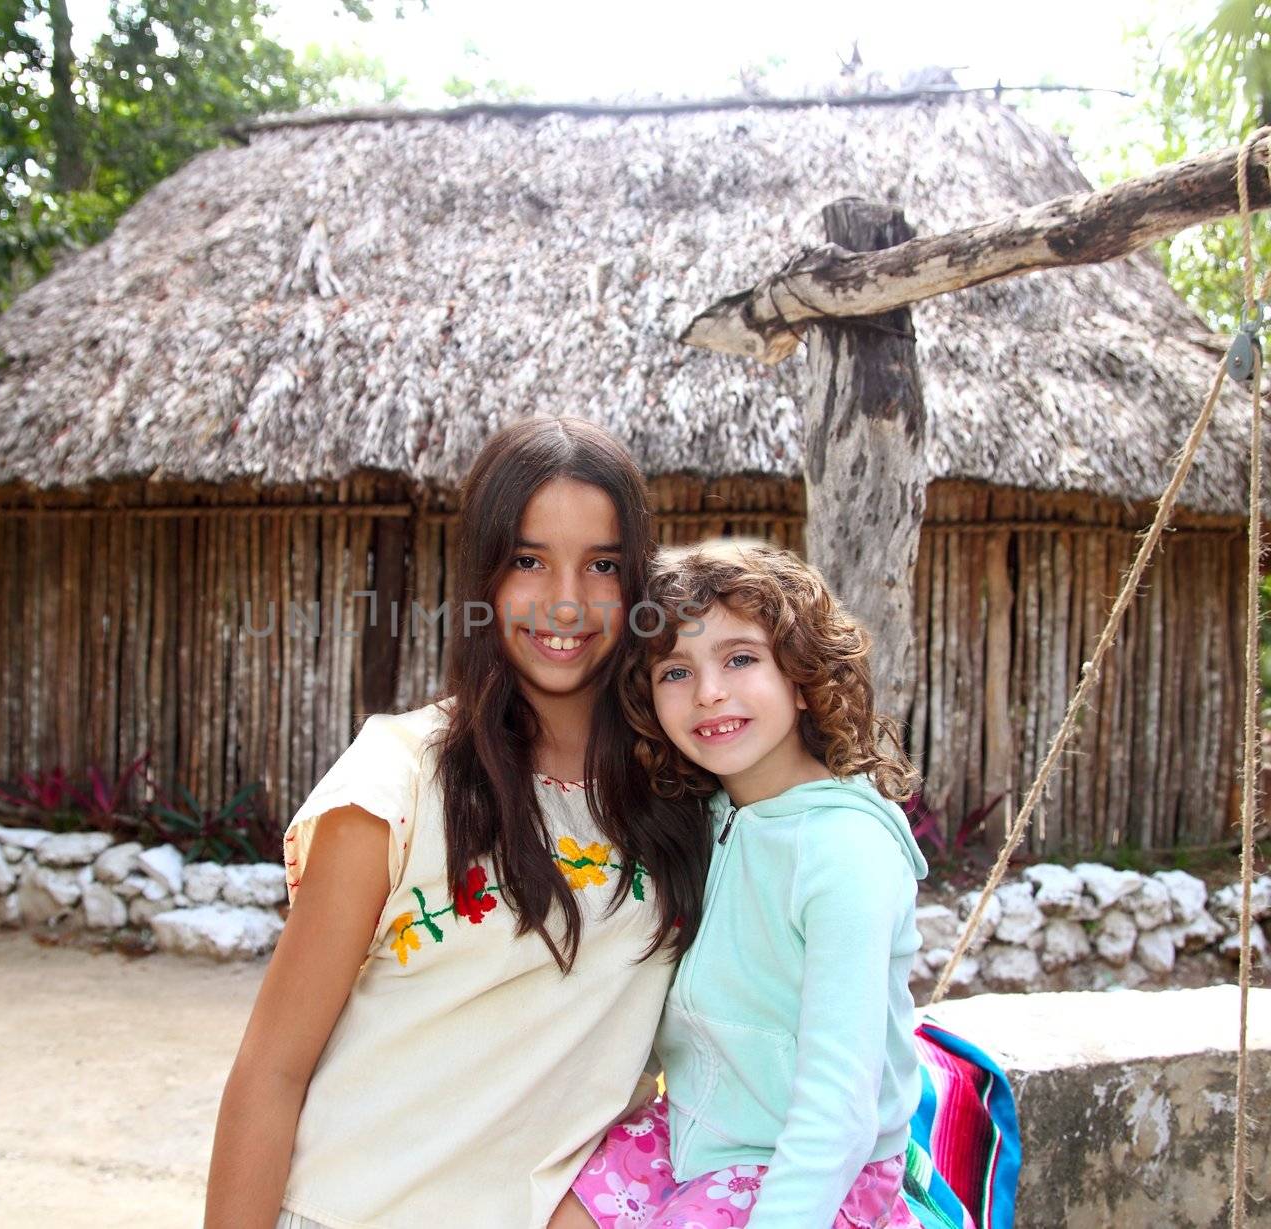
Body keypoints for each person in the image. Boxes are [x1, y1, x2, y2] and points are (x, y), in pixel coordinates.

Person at [205, 416, 711, 1229]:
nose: (567, 602)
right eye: (528, 560)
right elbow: (271, 1071)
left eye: (603, 564)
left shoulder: (681, 798)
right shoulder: (394, 783)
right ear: (482, 574)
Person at [555, 537, 928, 1229]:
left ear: (802, 671)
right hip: (693, 1128)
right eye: (674, 670)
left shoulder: (844, 851)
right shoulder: (711, 819)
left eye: (740, 658)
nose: (710, 692)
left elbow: (839, 1106)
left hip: (807, 1167)